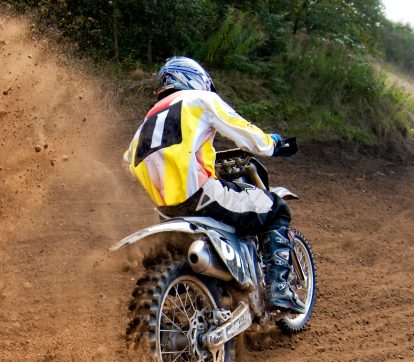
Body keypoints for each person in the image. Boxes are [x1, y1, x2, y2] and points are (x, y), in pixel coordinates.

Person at [125, 56, 303, 313]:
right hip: (200, 196)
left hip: (165, 211)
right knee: (275, 209)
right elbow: (246, 135)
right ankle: (280, 290)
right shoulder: (200, 100)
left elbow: (128, 163)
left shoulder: (145, 124)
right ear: (194, 79)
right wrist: (272, 143)